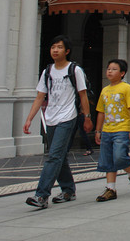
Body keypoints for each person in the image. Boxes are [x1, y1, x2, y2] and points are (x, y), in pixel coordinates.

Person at [23, 35, 94, 209]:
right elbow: (40, 96)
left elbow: (82, 94)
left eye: (59, 47)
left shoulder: (74, 69)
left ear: (67, 51)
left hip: (67, 117)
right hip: (50, 118)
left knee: (53, 156)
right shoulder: (47, 71)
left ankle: (41, 195)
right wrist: (29, 118)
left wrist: (87, 117)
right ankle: (68, 190)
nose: (55, 50)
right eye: (53, 47)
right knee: (59, 156)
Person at [94, 59, 130, 201]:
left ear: (122, 73)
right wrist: (98, 131)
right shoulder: (105, 90)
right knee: (108, 160)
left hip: (122, 129)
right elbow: (101, 112)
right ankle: (111, 189)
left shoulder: (126, 88)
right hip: (107, 130)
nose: (110, 71)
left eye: (114, 69)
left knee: (120, 157)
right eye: (108, 68)